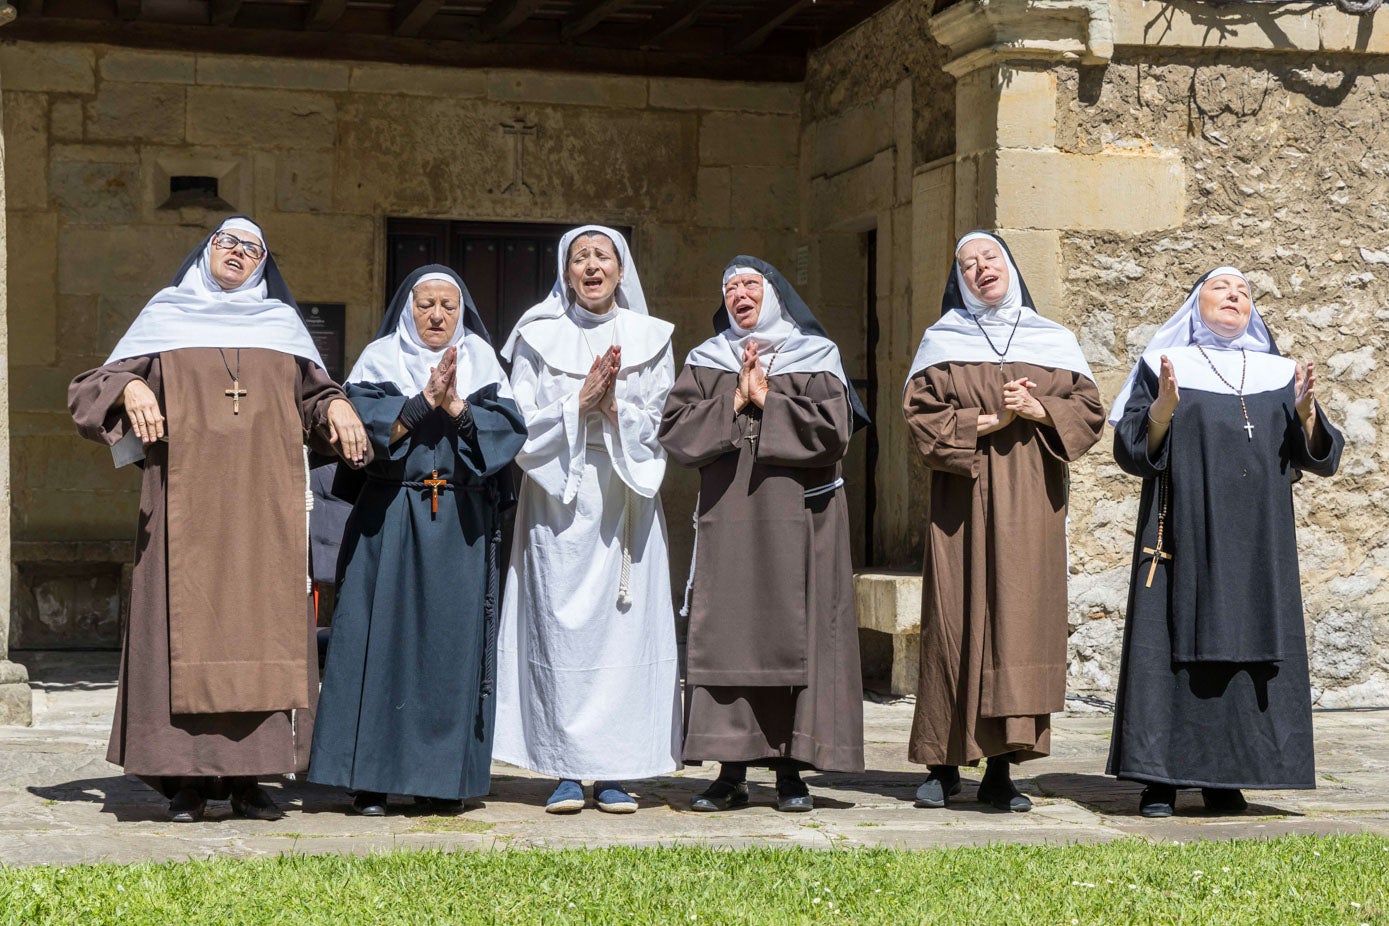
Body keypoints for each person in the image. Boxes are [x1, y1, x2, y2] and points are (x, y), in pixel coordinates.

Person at [67, 216, 368, 823]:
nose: (238, 253)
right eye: (227, 243)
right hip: (181, 514)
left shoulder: (281, 328)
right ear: (207, 252)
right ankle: (186, 781)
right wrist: (130, 387)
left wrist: (337, 404)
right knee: (179, 630)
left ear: (263, 265)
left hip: (266, 514)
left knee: (262, 632)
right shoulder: (165, 317)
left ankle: (250, 780)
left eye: (252, 248)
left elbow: (313, 395)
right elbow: (86, 391)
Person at [1107, 266, 1343, 818]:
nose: (1234, 297)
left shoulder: (1279, 373)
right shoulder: (1165, 366)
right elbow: (1133, 447)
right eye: (1221, 289)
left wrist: (1307, 414)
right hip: (1184, 529)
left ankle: (1228, 778)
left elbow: (1320, 456)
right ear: (1196, 304)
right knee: (1171, 640)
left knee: (1250, 640)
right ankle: (1159, 780)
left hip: (1260, 539)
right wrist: (1163, 408)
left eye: (1243, 292)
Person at [308, 266, 526, 816]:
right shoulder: (380, 358)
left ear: (461, 312)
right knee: (375, 642)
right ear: (409, 309)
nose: (436, 316)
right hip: (389, 516)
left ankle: (439, 781)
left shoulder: (481, 361)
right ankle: (370, 782)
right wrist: (418, 404)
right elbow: (357, 425)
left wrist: (455, 406)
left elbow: (507, 433)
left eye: (447, 307)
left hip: (460, 524)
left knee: (449, 650)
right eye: (425, 305)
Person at [901, 232, 1105, 812]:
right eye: (968, 264)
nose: (980, 269)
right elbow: (919, 416)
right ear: (959, 281)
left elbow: (1091, 412)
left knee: (1016, 620)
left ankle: (1001, 770)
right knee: (954, 619)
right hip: (960, 502)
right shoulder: (943, 341)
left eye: (989, 258)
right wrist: (984, 422)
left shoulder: (1054, 340)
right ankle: (941, 766)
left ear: (1010, 267)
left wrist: (1042, 410)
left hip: (1029, 501)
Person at [658, 256, 870, 813]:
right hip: (729, 521)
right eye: (729, 287)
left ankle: (790, 773)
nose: (738, 295)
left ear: (773, 294)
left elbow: (834, 433)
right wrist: (733, 400)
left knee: (796, 638)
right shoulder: (707, 360)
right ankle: (729, 772)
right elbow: (676, 435)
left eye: (750, 284)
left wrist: (768, 401)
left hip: (801, 522)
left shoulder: (815, 355)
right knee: (727, 634)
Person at [493, 226, 682, 815]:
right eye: (581, 258)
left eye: (604, 257)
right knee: (560, 630)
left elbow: (663, 419)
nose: (592, 267)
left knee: (624, 634)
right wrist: (577, 406)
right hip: (558, 499)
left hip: (626, 496)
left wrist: (616, 408)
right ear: (565, 271)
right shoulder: (536, 334)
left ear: (622, 270)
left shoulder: (651, 338)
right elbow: (516, 420)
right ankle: (566, 769)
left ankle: (617, 769)